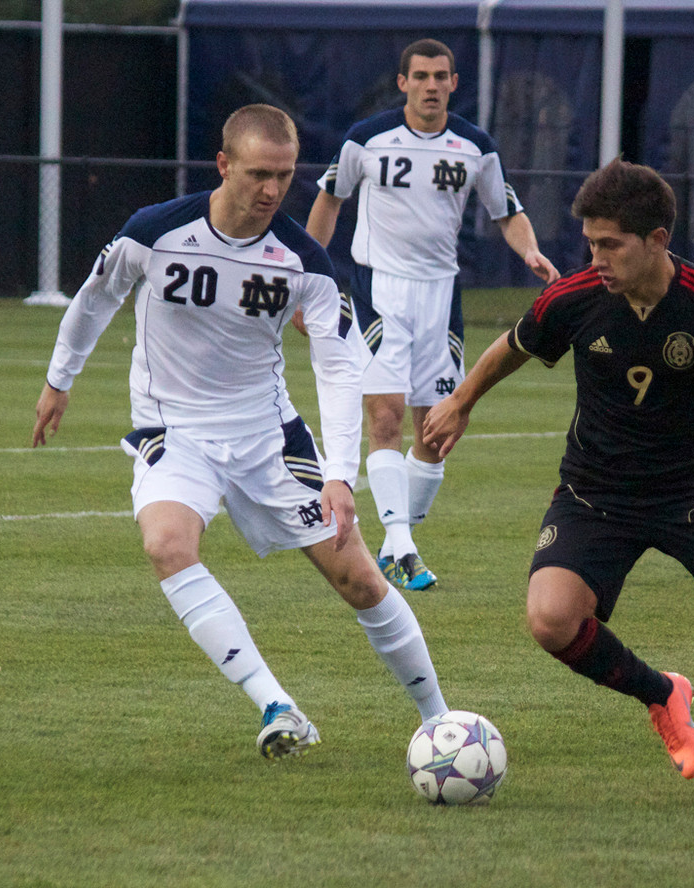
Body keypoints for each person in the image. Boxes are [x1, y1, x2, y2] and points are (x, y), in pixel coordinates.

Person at [423, 158, 694, 815]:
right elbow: (512, 345)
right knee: (549, 620)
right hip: (592, 495)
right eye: (590, 243)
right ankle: (661, 695)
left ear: (657, 239)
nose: (595, 257)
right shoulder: (574, 298)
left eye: (610, 244)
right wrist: (460, 402)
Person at [32, 103, 449, 761]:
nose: (271, 191)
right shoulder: (156, 232)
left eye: (284, 176)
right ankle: (276, 705)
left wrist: (341, 475)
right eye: (257, 173)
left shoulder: (302, 260)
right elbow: (95, 298)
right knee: (168, 544)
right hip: (175, 434)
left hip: (268, 441)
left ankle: (441, 721)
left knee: (362, 584)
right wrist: (60, 379)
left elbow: (338, 367)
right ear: (223, 165)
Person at [299, 37, 560, 592]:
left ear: (454, 83)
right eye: (420, 76)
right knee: (386, 417)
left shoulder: (474, 147)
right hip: (379, 291)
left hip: (441, 299)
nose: (431, 86)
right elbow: (329, 199)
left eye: (441, 76)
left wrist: (530, 251)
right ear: (403, 83)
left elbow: (506, 210)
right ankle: (401, 545)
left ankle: (399, 542)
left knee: (438, 434)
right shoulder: (366, 139)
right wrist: (305, 277)